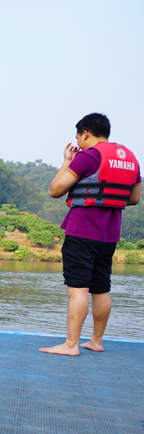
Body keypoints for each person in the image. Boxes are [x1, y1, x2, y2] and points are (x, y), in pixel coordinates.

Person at [40, 113, 141, 355]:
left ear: (85, 133)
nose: (79, 142)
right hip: (109, 235)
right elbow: (135, 198)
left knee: (77, 289)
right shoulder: (131, 158)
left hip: (82, 231)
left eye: (78, 137)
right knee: (102, 288)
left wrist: (67, 161)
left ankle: (71, 344)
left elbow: (55, 190)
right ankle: (96, 340)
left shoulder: (89, 156)